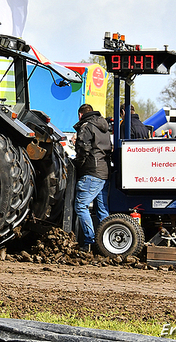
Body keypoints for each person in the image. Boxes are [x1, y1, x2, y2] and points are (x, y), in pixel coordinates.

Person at [73, 103, 113, 252]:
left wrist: (78, 164)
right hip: (104, 172)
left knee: (81, 206)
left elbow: (83, 148)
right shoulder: (104, 126)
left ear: (80, 115)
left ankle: (89, 240)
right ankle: (105, 243)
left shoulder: (86, 126)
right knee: (102, 209)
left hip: (92, 172)